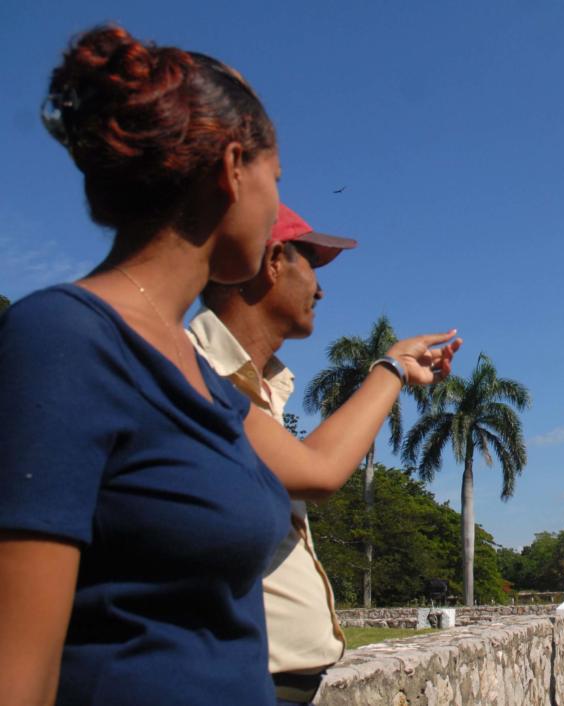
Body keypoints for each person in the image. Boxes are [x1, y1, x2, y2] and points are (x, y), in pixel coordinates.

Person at [0, 25, 459, 706]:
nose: (277, 201)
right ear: (232, 170)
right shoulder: (63, 340)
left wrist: (390, 369)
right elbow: (18, 672)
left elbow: (309, 473)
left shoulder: (198, 374)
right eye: (276, 180)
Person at [187, 202, 357, 706]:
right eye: (311, 264)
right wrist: (392, 369)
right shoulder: (197, 370)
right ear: (274, 260)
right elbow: (317, 474)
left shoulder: (262, 385)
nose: (321, 290)